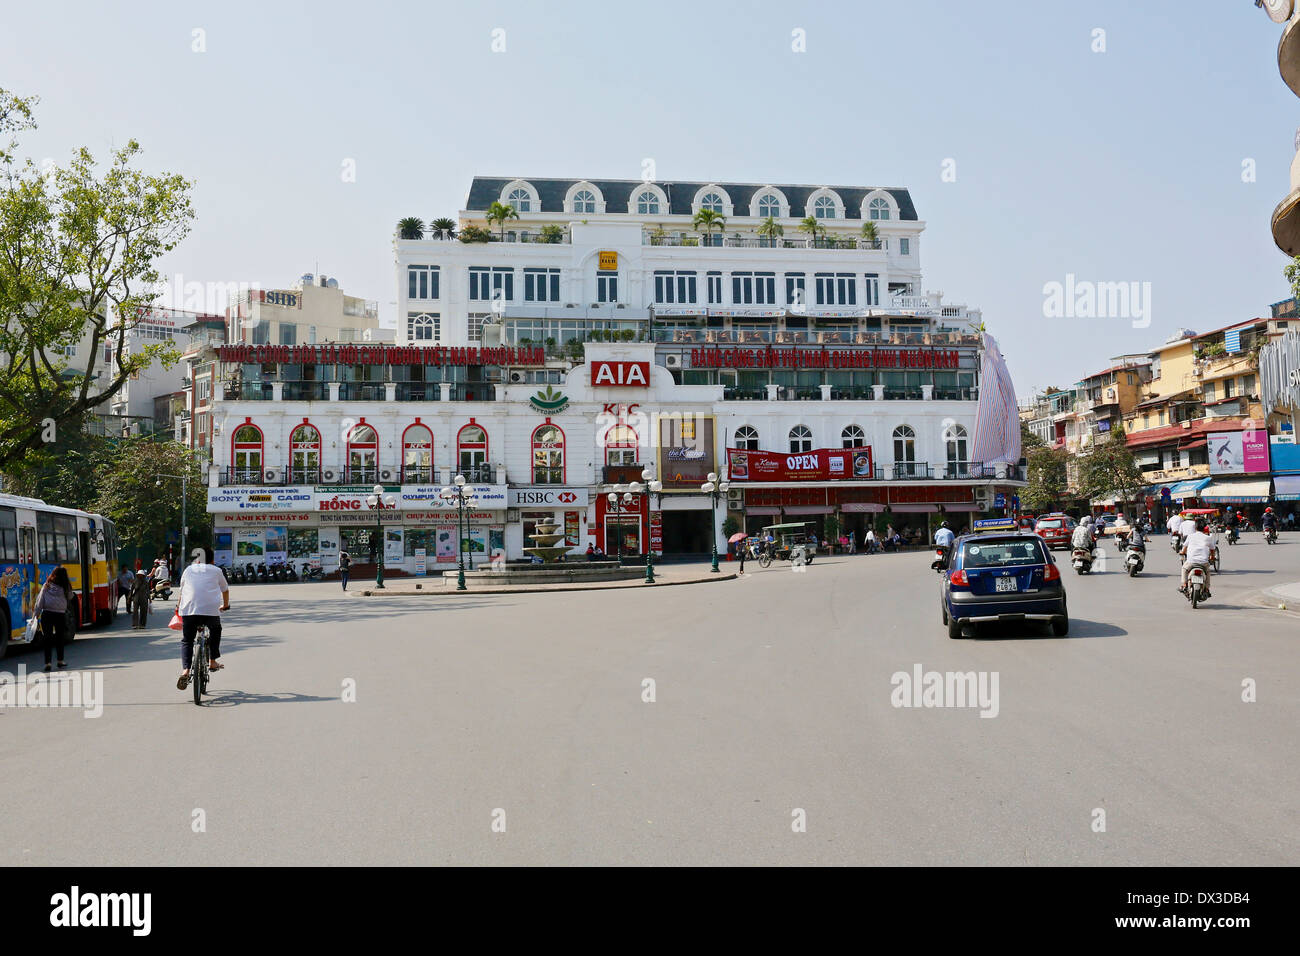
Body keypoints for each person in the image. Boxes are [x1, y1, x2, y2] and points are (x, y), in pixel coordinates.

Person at [176, 546, 230, 691]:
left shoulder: (188, 570)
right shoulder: (217, 570)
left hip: (188, 610)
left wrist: (178, 608)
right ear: (212, 560)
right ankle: (212, 661)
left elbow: (182, 591)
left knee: (187, 640)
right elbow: (225, 590)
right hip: (210, 611)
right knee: (216, 630)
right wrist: (225, 606)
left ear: (198, 560)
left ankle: (185, 671)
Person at [34, 567, 72, 672]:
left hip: (47, 614)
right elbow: (70, 597)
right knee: (60, 638)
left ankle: (48, 663)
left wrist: (36, 615)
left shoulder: (46, 585)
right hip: (60, 615)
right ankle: (60, 661)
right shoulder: (65, 586)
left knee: (47, 639)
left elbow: (40, 601)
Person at [1179, 518, 1213, 597]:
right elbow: (1212, 549)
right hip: (1203, 563)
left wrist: (1182, 552)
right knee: (1208, 572)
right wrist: (1212, 557)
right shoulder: (1208, 538)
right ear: (1204, 527)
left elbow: (1184, 548)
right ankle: (1207, 589)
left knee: (1184, 569)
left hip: (1191, 562)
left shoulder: (1190, 536)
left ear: (1195, 527)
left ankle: (1184, 585)